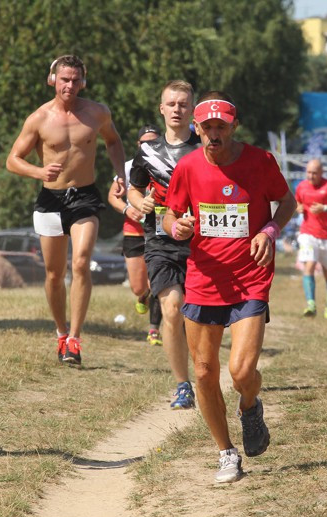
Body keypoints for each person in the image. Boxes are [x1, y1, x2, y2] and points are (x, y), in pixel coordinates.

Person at [162, 91, 296, 483]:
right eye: (207, 128)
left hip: (250, 276)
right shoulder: (187, 168)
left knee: (240, 371)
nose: (214, 134)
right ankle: (226, 453)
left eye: (221, 127)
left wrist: (270, 230)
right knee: (203, 372)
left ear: (233, 127)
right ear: (197, 129)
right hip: (204, 278)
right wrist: (178, 226)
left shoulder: (260, 162)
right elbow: (170, 215)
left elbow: (286, 202)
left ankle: (249, 404)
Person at [6, 55, 126, 365]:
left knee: (82, 262)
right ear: (52, 81)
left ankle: (74, 338)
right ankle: (60, 333)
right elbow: (13, 159)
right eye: (64, 79)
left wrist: (120, 175)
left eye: (75, 79)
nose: (70, 85)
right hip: (50, 199)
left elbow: (113, 142)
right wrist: (39, 172)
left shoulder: (97, 113)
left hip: (85, 196)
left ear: (83, 82)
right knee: (54, 274)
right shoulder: (39, 118)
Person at [128, 80, 200, 409]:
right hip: (160, 240)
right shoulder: (147, 152)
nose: (177, 109)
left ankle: (205, 372)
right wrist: (138, 202)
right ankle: (182, 384)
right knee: (172, 309)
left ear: (192, 109)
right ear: (161, 108)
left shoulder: (205, 148)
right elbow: (134, 189)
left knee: (197, 317)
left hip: (202, 242)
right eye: (171, 104)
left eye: (183, 104)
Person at [108, 124, 164, 345]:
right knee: (139, 286)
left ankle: (154, 330)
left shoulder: (168, 164)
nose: (149, 146)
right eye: (145, 143)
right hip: (134, 231)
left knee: (158, 281)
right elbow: (113, 196)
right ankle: (143, 295)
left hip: (160, 231)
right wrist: (126, 209)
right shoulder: (129, 167)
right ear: (138, 145)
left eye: (154, 142)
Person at [294, 159, 327, 319]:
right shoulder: (301, 186)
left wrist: (326, 208)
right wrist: (298, 207)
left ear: (321, 173)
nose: (311, 176)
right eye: (309, 172)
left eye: (314, 173)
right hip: (308, 233)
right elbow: (297, 200)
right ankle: (311, 304)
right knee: (309, 265)